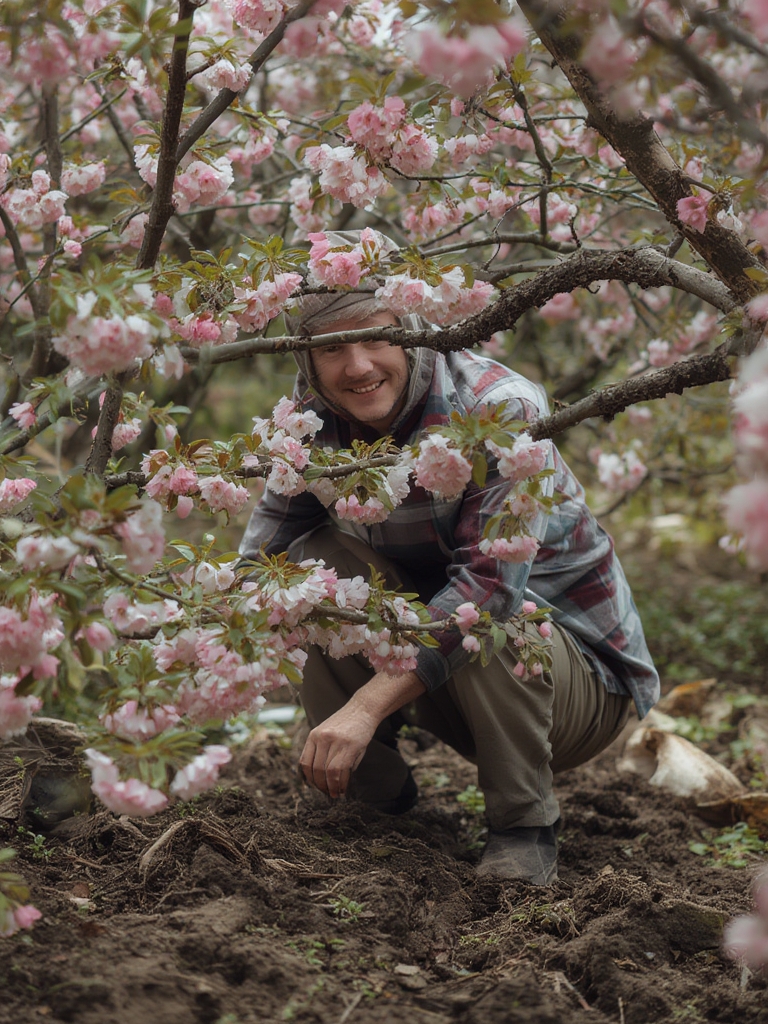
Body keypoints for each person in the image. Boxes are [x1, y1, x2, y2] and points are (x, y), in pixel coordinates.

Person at [239, 267, 659, 886]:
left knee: (491, 619)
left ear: (411, 329)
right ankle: (373, 797)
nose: (356, 367)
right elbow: (257, 565)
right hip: (447, 683)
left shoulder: (499, 410)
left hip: (574, 690)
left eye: (375, 338)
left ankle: (524, 825)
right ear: (304, 359)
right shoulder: (307, 429)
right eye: (330, 348)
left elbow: (489, 592)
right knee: (304, 565)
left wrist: (363, 706)